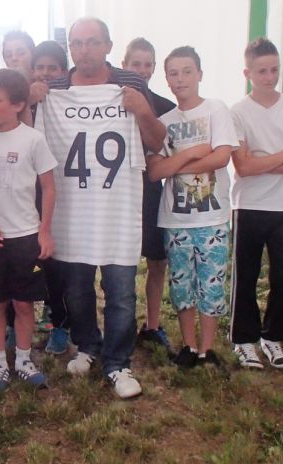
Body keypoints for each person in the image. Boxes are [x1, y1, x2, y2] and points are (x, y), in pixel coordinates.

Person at [32, 17, 166, 399]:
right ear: (70, 48)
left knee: (121, 290)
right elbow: (32, 142)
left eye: (92, 42)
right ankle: (88, 345)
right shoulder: (56, 89)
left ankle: (118, 362)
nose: (85, 50)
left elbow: (157, 141)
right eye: (77, 43)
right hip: (73, 210)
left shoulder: (130, 83)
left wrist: (143, 111)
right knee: (76, 290)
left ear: (108, 45)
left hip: (117, 208)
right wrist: (30, 98)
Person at [146, 46, 238, 368]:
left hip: (212, 216)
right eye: (173, 73)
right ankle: (188, 345)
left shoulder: (216, 110)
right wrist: (191, 154)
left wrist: (174, 165)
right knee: (182, 285)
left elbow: (221, 156)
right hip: (176, 219)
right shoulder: (163, 123)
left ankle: (206, 349)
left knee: (211, 284)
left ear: (199, 74)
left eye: (187, 71)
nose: (180, 79)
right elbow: (155, 171)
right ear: (167, 79)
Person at [0, 69, 57, 391]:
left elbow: (49, 187)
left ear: (18, 104)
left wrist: (44, 231)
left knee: (23, 303)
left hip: (26, 237)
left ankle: (24, 359)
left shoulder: (33, 139)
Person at [229, 38, 283, 369]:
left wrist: (263, 160)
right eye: (262, 71)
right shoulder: (238, 112)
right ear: (248, 73)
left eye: (274, 70)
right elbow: (243, 167)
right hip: (249, 205)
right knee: (246, 276)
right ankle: (243, 340)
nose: (270, 77)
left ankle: (273, 337)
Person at [121, 37, 176, 354]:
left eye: (147, 65)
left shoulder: (165, 107)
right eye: (135, 64)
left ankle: (152, 325)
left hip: (152, 192)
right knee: (120, 264)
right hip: (118, 193)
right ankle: (122, 324)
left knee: (157, 260)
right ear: (124, 65)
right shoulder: (110, 101)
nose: (141, 71)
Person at [28, 40, 70, 355]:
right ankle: (19, 324)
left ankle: (60, 324)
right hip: (26, 192)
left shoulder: (71, 99)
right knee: (31, 261)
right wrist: (29, 101)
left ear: (63, 71)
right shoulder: (23, 98)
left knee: (57, 262)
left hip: (61, 189)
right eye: (39, 67)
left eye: (52, 68)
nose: (45, 73)